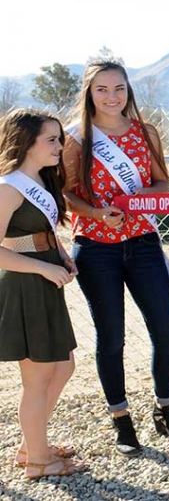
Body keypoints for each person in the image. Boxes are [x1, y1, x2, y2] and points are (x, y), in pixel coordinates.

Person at [62, 61, 169, 456]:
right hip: (97, 246)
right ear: (88, 92)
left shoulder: (145, 133)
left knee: (167, 332)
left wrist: (144, 199)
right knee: (112, 337)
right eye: (102, 89)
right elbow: (65, 193)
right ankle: (121, 418)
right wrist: (98, 213)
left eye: (119, 88)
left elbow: (162, 182)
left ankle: (164, 408)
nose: (112, 96)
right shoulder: (75, 139)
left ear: (128, 91)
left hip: (143, 242)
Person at [0, 110, 88, 479]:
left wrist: (63, 256)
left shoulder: (39, 180)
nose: (59, 145)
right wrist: (43, 267)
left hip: (46, 282)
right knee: (37, 378)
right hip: (25, 287)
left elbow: (43, 233)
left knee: (63, 366)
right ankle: (37, 460)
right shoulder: (9, 186)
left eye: (59, 138)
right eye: (50, 139)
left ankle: (31, 443)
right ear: (26, 142)